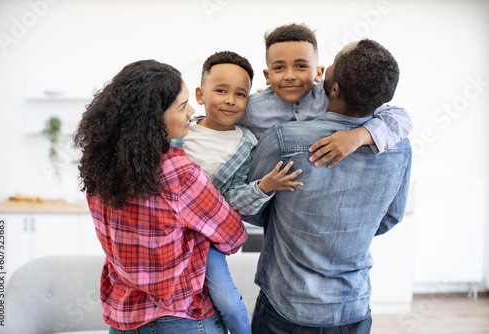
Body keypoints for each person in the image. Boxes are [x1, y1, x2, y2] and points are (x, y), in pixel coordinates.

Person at [245, 39, 412, 334]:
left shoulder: (283, 140)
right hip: (352, 307)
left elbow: (254, 210)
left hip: (286, 307)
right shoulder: (398, 146)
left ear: (333, 89)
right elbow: (390, 218)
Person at [73, 59, 247, 333]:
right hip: (181, 319)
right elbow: (233, 236)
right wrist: (197, 235)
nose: (191, 111)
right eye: (182, 106)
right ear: (152, 117)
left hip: (123, 320)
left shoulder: (98, 168)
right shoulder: (179, 172)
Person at [172, 50, 302, 334]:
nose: (230, 100)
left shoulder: (247, 145)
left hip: (205, 238)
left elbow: (232, 200)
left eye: (241, 94)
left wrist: (263, 186)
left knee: (227, 302)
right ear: (200, 94)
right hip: (166, 232)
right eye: (221, 90)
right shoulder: (179, 132)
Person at [238, 23, 413, 167]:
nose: (290, 76)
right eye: (279, 68)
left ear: (319, 73)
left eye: (301, 66)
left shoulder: (330, 96)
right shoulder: (252, 108)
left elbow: (401, 118)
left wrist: (359, 136)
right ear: (267, 76)